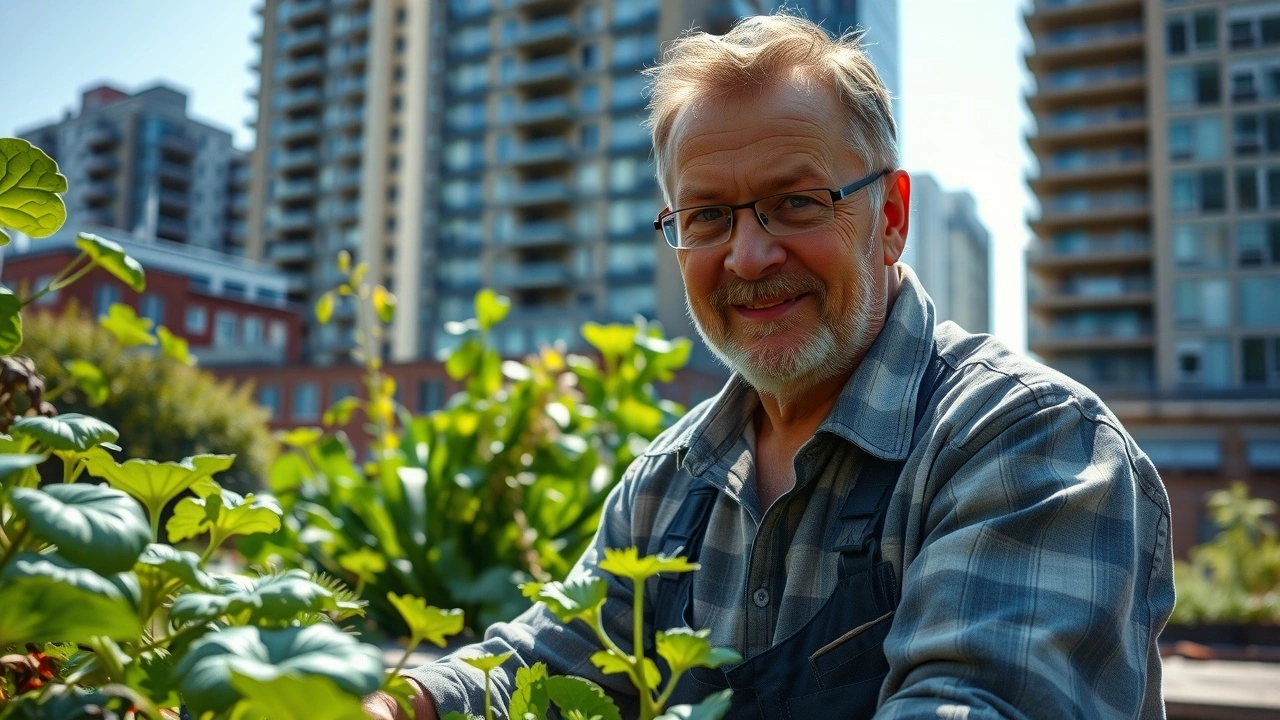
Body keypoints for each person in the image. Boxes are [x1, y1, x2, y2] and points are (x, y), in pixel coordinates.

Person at [365, 13, 1174, 720]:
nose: (749, 258)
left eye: (796, 202)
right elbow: (537, 663)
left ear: (888, 219)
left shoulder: (1030, 444)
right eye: (708, 216)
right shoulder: (670, 481)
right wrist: (402, 702)